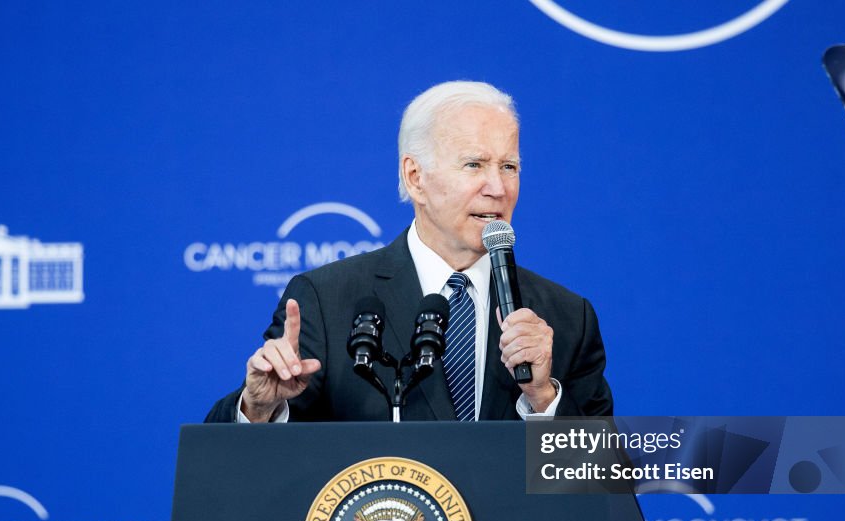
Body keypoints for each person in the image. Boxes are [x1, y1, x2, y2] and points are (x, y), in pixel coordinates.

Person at [205, 81, 613, 423]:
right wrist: (258, 407)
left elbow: (603, 492)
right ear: (415, 177)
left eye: (509, 166)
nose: (499, 187)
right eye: (474, 165)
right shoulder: (327, 301)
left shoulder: (565, 317)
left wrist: (543, 397)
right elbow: (239, 473)